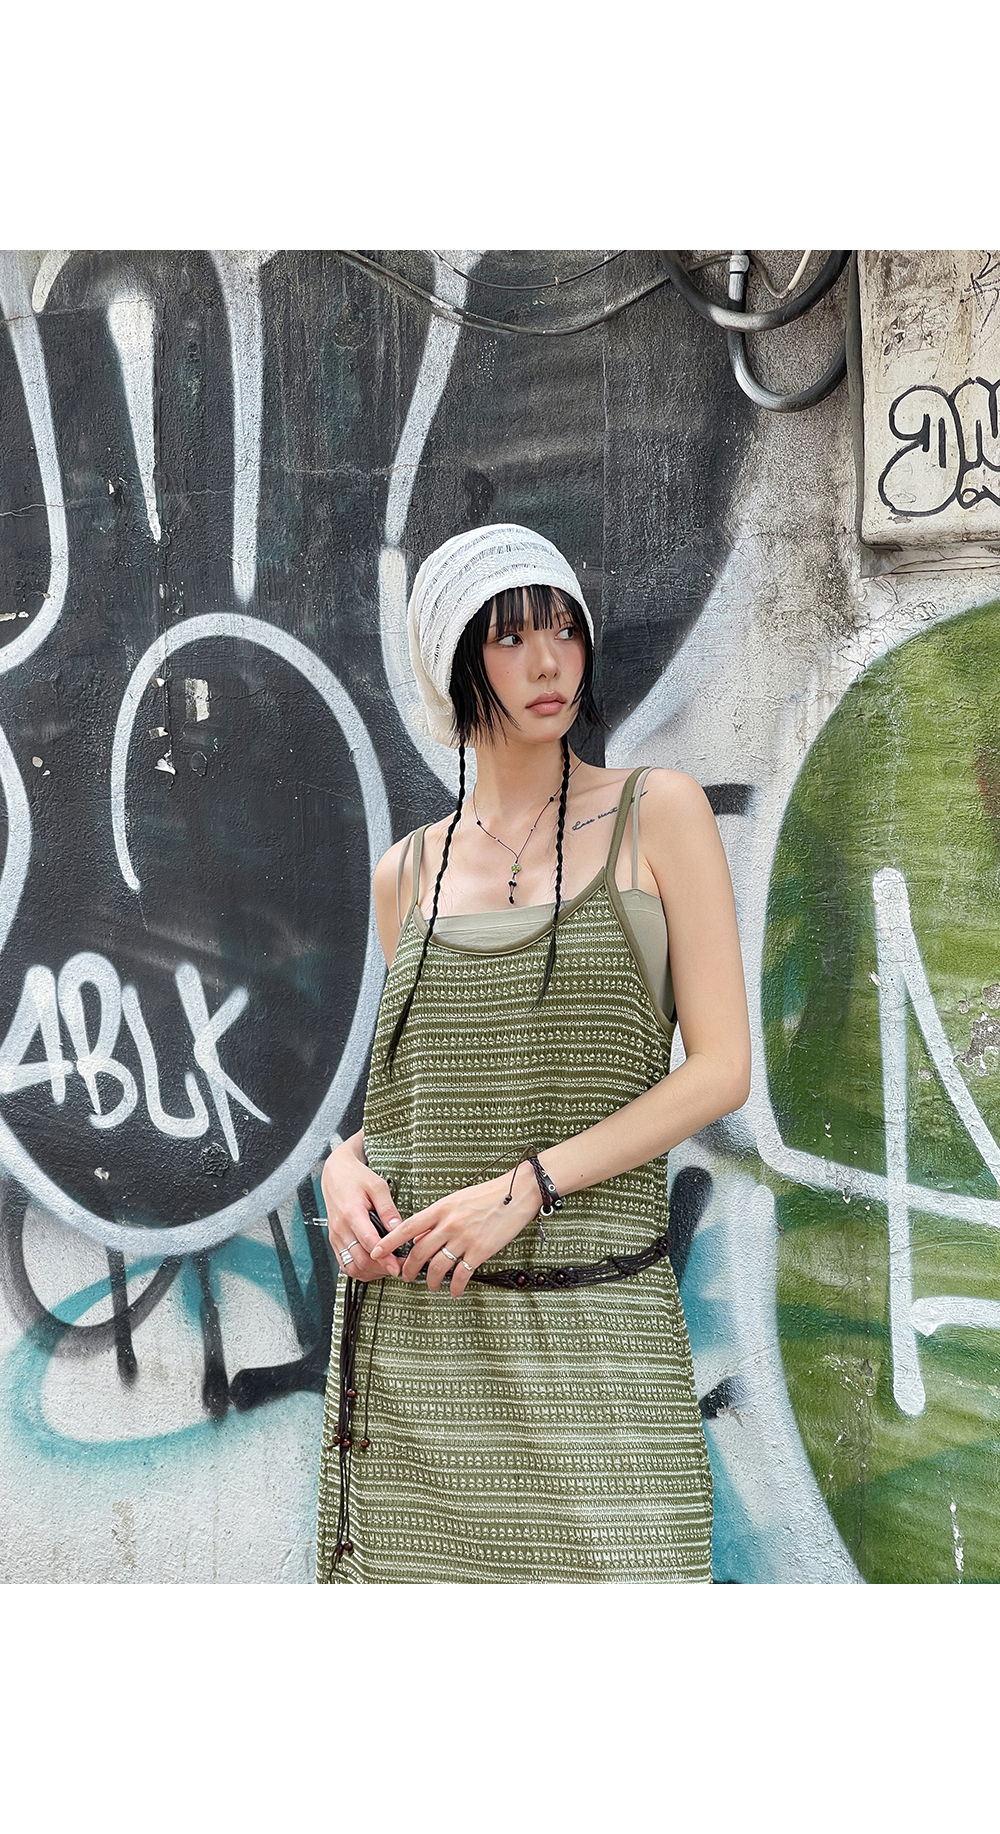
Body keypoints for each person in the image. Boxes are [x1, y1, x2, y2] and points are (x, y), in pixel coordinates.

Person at [315, 522, 751, 1583]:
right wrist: (341, 1165)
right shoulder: (405, 873)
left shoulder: (659, 813)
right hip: (422, 1354)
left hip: (598, 1335)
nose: (550, 661)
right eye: (510, 638)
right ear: (453, 660)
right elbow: (432, 1090)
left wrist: (530, 1187)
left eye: (564, 629)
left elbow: (720, 1069)